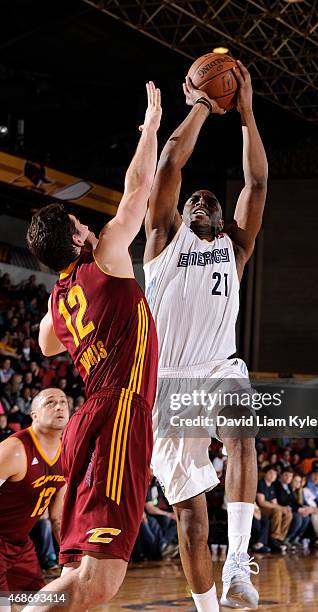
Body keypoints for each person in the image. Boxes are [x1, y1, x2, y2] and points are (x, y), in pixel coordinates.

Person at [23, 82, 161, 612]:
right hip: (120, 409)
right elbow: (137, 190)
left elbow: (45, 344)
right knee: (98, 582)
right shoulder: (104, 257)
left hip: (90, 419)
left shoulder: (57, 305)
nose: (90, 224)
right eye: (82, 222)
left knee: (84, 575)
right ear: (80, 238)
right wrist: (148, 130)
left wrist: (59, 277)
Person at [144, 62, 267, 610]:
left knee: (242, 434)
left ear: (223, 219)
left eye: (210, 201)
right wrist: (201, 104)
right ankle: (208, 607)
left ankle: (239, 557)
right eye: (193, 198)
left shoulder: (234, 251)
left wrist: (245, 113)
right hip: (166, 385)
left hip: (219, 368)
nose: (200, 200)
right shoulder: (161, 240)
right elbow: (170, 162)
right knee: (190, 519)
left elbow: (257, 182)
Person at [0, 388, 69, 593]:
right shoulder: (14, 449)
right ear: (34, 415)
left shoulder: (66, 454)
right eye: (50, 402)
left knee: (36, 603)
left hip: (21, 545)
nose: (59, 406)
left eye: (63, 402)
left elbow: (57, 518)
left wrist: (73, 558)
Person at [256, 465, 291, 552]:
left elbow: (275, 502)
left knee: (288, 514)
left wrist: (283, 509)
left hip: (270, 508)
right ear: (265, 474)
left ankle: (280, 538)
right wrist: (280, 508)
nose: (273, 475)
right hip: (261, 508)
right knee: (277, 510)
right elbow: (262, 502)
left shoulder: (272, 487)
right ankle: (274, 538)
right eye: (270, 473)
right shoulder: (261, 483)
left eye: (275, 474)